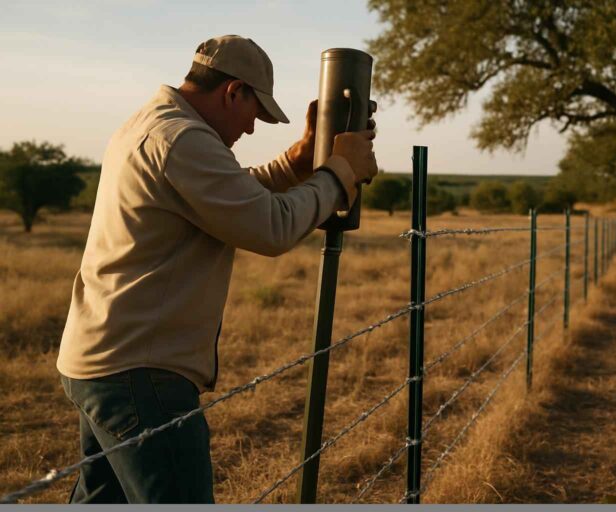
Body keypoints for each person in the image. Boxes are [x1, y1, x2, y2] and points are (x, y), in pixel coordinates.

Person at [55, 35, 378, 503]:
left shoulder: (155, 124)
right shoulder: (183, 139)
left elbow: (233, 196)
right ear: (233, 92)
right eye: (255, 113)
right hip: (141, 373)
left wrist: (301, 158)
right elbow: (271, 226)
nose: (250, 130)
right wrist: (340, 173)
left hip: (107, 360)